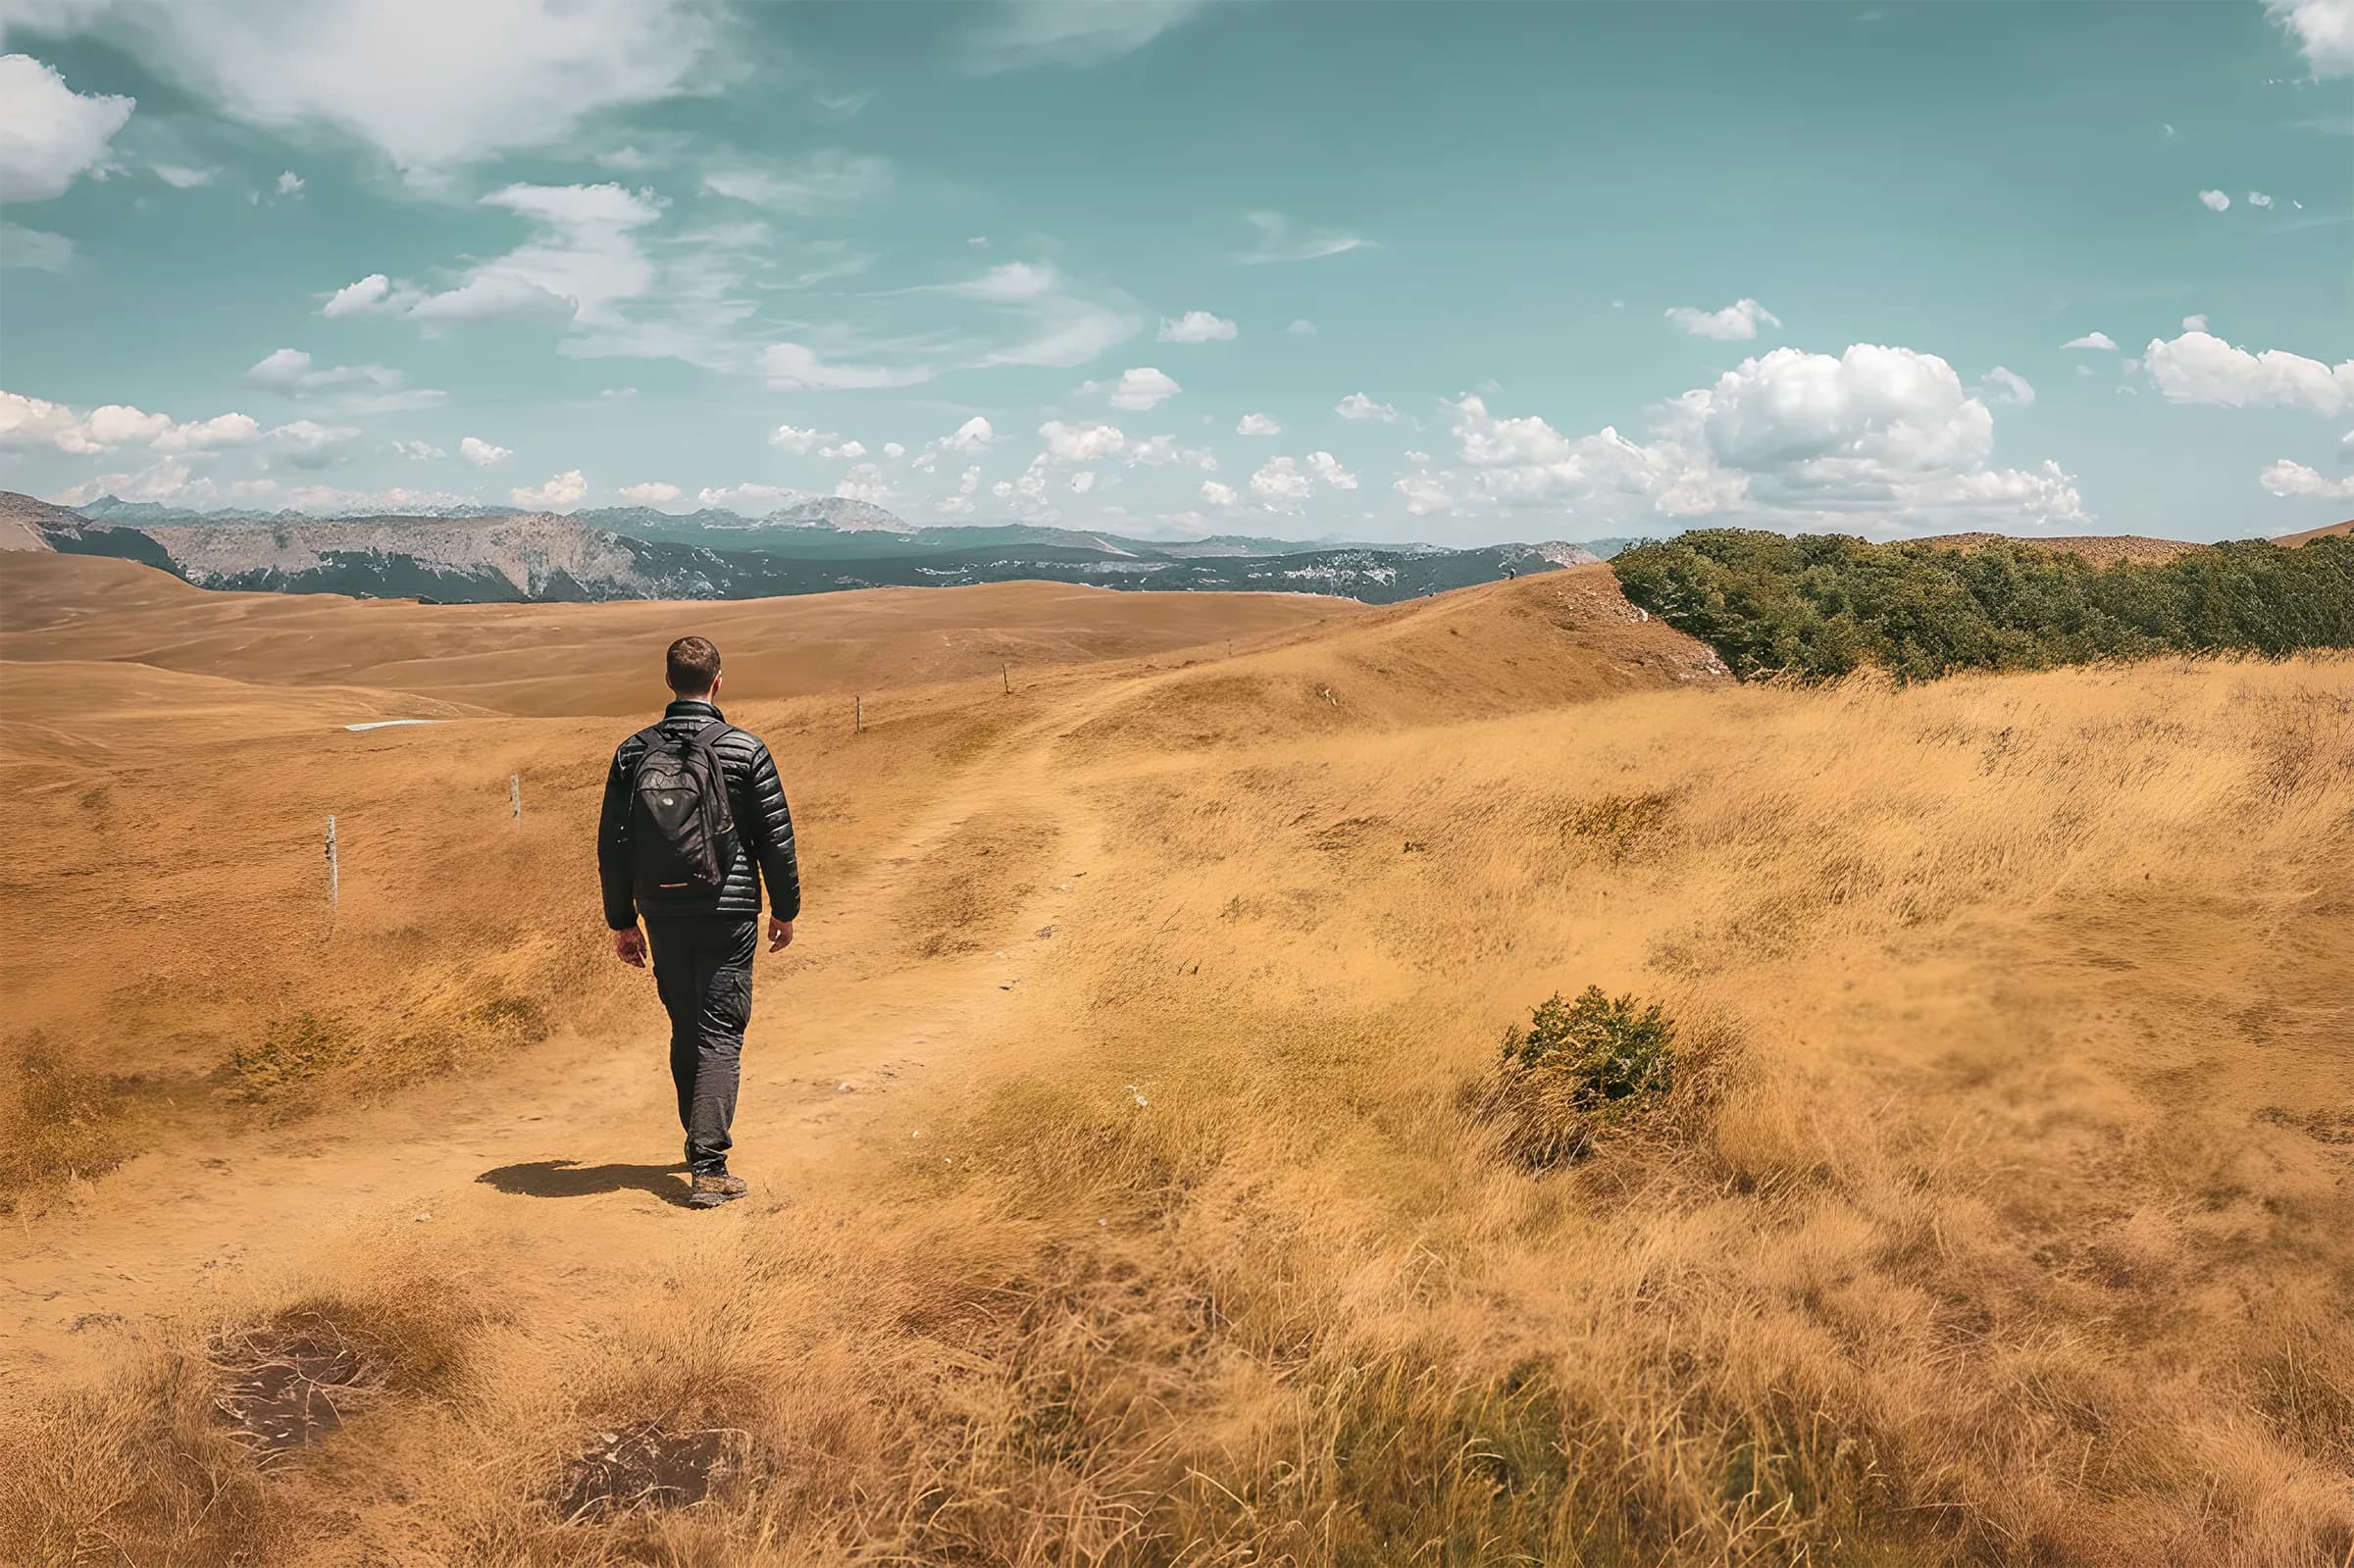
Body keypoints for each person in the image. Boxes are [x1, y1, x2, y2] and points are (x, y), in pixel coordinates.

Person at [596, 635, 800, 1208]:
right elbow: (775, 840)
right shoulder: (745, 749)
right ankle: (709, 1167)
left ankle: (699, 1144)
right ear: (718, 681)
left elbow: (613, 846)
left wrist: (622, 920)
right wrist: (785, 909)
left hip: (661, 911)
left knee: (687, 1027)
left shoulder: (632, 752)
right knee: (721, 1029)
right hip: (728, 910)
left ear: (667, 683)